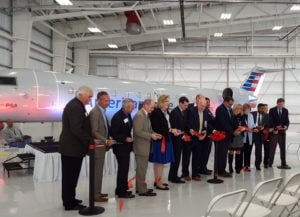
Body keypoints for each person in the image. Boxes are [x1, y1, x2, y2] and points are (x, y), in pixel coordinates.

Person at [59, 86, 98, 211]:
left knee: (72, 177)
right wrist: (90, 139)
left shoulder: (76, 105)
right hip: (72, 148)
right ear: (81, 95)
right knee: (70, 177)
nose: (90, 99)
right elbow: (76, 129)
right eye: (89, 96)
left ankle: (71, 198)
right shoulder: (75, 107)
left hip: (73, 148)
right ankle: (69, 203)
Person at [89, 91, 114, 202]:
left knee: (99, 171)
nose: (108, 102)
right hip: (98, 146)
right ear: (99, 100)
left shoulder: (102, 111)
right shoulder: (95, 112)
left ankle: (97, 192)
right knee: (97, 172)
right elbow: (94, 131)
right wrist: (105, 140)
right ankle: (95, 195)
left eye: (109, 100)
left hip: (102, 146)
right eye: (106, 100)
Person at [133, 99, 161, 196]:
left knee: (142, 169)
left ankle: (140, 187)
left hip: (145, 146)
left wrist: (155, 134)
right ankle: (142, 190)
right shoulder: (139, 116)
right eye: (152, 107)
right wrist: (151, 136)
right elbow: (138, 131)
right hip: (141, 147)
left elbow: (149, 130)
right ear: (145, 105)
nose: (153, 109)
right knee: (141, 169)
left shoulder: (146, 115)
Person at [150, 95, 177, 190]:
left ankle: (158, 181)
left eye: (168, 101)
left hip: (166, 138)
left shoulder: (165, 112)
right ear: (161, 102)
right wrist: (170, 130)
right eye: (166, 101)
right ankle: (158, 182)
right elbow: (157, 127)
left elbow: (167, 124)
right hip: (160, 140)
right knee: (159, 162)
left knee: (160, 162)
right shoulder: (156, 113)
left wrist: (172, 130)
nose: (168, 103)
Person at [110, 98, 135, 198]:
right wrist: (125, 138)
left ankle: (122, 188)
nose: (133, 109)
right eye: (132, 108)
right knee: (122, 169)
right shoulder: (118, 117)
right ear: (126, 107)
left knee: (125, 169)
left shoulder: (127, 115)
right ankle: (121, 192)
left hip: (126, 147)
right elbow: (113, 133)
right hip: (120, 147)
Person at [184, 97, 212, 181]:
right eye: (201, 105)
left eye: (204, 106)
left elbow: (205, 124)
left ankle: (195, 174)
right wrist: (190, 130)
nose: (203, 107)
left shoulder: (206, 112)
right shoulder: (191, 110)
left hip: (199, 138)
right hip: (190, 137)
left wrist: (205, 132)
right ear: (198, 103)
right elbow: (187, 123)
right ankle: (185, 174)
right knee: (187, 157)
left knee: (197, 156)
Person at [168, 96, 189, 184]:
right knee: (175, 158)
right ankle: (173, 177)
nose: (186, 107)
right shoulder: (174, 112)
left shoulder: (184, 112)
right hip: (176, 139)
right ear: (180, 103)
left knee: (178, 158)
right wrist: (180, 134)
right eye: (185, 105)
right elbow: (173, 126)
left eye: (187, 105)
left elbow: (185, 125)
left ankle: (172, 175)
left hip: (182, 138)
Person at [215, 96, 235, 178]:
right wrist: (233, 131)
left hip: (228, 135)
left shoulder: (229, 109)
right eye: (230, 104)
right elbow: (223, 123)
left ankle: (222, 169)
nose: (231, 106)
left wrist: (235, 128)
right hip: (222, 135)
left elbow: (231, 121)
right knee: (221, 154)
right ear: (225, 102)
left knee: (224, 154)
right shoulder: (220, 109)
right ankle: (220, 171)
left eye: (232, 104)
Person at [268, 98, 290, 169]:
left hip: (282, 133)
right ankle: (270, 163)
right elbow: (270, 121)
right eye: (279, 104)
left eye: (282, 104)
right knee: (272, 148)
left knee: (283, 148)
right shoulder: (272, 110)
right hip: (275, 132)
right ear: (277, 103)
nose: (281, 106)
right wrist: (275, 128)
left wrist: (286, 126)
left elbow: (287, 121)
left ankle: (283, 163)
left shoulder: (285, 110)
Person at [228, 104, 245, 174]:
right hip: (233, 135)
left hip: (240, 136)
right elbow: (229, 126)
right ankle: (230, 166)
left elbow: (244, 125)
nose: (239, 110)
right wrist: (237, 128)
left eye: (240, 109)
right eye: (238, 109)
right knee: (231, 151)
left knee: (238, 151)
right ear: (234, 109)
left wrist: (243, 128)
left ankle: (237, 167)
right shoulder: (231, 116)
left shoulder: (242, 117)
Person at [251, 103, 268, 170]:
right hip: (253, 133)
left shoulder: (267, 115)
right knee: (258, 150)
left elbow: (269, 124)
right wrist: (254, 128)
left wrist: (265, 129)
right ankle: (257, 164)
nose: (263, 110)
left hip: (262, 134)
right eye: (261, 108)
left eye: (264, 109)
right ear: (258, 108)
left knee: (260, 150)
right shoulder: (252, 114)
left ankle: (260, 164)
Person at [242, 103, 256, 172]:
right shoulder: (242, 116)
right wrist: (247, 129)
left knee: (249, 152)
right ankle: (243, 166)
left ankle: (247, 166)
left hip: (250, 136)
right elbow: (241, 126)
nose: (248, 111)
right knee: (243, 152)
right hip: (243, 136)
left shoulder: (251, 115)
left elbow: (253, 124)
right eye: (246, 110)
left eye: (249, 109)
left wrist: (254, 128)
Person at [203, 97, 214, 174]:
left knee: (207, 153)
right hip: (205, 136)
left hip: (210, 135)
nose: (208, 103)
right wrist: (213, 130)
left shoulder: (209, 111)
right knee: (204, 153)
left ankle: (205, 167)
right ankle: (202, 168)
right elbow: (207, 124)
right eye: (207, 102)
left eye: (209, 102)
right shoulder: (204, 112)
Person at [263, 104, 270, 168]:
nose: (266, 109)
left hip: (267, 135)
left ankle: (266, 162)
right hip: (259, 135)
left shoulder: (269, 116)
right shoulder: (259, 115)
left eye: (266, 108)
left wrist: (267, 129)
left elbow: (270, 124)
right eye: (265, 108)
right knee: (258, 150)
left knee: (267, 149)